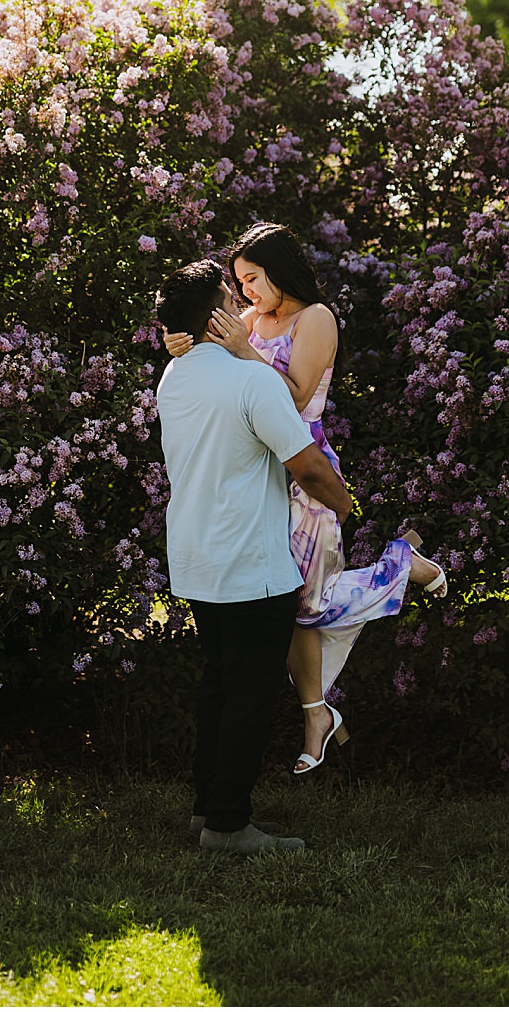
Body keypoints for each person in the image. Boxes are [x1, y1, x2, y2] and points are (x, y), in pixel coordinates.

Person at [164, 223, 448, 776]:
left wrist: (242, 348)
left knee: (306, 603)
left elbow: (292, 397)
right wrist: (185, 343)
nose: (244, 292)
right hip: (261, 473)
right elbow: (217, 368)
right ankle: (316, 714)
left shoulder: (315, 319)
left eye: (252, 278)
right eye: (238, 282)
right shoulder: (249, 319)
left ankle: (399, 568)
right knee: (290, 606)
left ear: (278, 269)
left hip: (305, 464)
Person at [154, 257, 356, 855]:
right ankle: (228, 825)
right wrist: (345, 507)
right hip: (251, 563)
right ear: (217, 315)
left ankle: (205, 810)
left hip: (196, 557)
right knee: (247, 698)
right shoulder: (254, 382)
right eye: (229, 294)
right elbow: (307, 465)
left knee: (218, 687)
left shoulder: (175, 376)